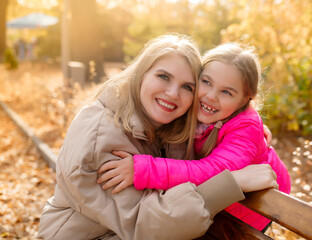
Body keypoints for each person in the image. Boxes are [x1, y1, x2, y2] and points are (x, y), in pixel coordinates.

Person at [38, 34, 279, 240]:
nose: (173, 93)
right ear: (142, 73)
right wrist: (232, 182)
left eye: (187, 86)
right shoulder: (99, 136)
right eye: (163, 77)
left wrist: (249, 128)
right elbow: (147, 224)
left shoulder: (171, 124)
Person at [97, 42, 291, 232]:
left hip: (251, 206)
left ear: (245, 99)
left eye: (226, 92)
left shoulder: (245, 130)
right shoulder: (193, 104)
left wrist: (144, 169)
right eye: (206, 82)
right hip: (216, 198)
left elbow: (213, 171)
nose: (210, 96)